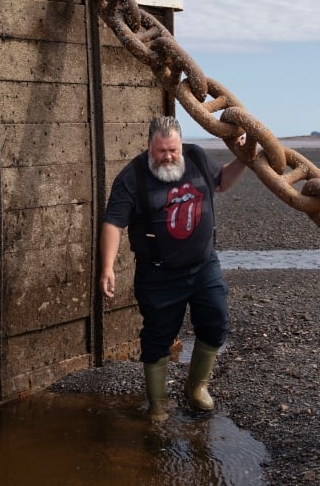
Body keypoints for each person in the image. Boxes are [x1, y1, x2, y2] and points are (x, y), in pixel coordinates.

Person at [100, 116, 249, 421]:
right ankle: (157, 404)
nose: (168, 156)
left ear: (181, 144)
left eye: (173, 150)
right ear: (149, 146)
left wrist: (243, 160)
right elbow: (113, 223)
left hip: (204, 266)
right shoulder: (133, 177)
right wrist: (107, 267)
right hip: (158, 274)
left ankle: (196, 388)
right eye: (161, 151)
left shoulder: (194, 156)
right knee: (157, 337)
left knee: (216, 321)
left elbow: (221, 181)